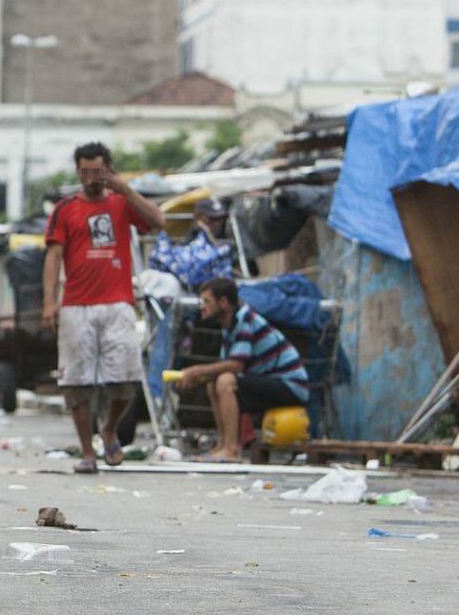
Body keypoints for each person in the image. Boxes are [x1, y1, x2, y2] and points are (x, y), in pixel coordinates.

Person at [42, 142, 165, 474]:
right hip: (76, 306)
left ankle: (108, 428)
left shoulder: (122, 203)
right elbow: (53, 258)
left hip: (118, 303)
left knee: (125, 379)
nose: (92, 178)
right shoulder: (65, 209)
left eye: (98, 171)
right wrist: (49, 302)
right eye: (85, 172)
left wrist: (123, 187)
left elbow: (158, 221)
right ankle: (87, 451)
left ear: (108, 169)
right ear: (78, 171)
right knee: (76, 382)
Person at [175, 277, 309, 462]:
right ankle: (222, 445)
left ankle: (231, 449)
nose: (202, 307)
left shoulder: (245, 319)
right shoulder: (229, 325)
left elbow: (236, 365)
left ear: (223, 302)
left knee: (225, 381)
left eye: (207, 301)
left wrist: (196, 371)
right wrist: (196, 377)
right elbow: (225, 367)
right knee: (213, 382)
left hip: (290, 385)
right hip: (268, 381)